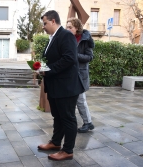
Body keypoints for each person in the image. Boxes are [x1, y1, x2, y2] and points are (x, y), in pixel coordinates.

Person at [37, 10, 84, 161]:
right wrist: (40, 68)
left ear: (53, 21)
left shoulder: (66, 35)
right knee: (58, 116)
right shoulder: (52, 37)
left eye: (45, 23)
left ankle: (67, 150)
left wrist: (48, 70)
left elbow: (69, 59)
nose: (43, 27)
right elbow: (53, 58)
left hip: (66, 87)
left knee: (68, 118)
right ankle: (56, 143)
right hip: (56, 86)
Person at [66, 17, 95, 133]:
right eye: (66, 27)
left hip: (80, 75)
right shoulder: (67, 39)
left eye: (70, 27)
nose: (67, 29)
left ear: (77, 28)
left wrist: (75, 55)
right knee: (69, 101)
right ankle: (69, 123)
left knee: (80, 100)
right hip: (69, 74)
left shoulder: (85, 40)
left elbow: (89, 57)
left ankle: (88, 123)